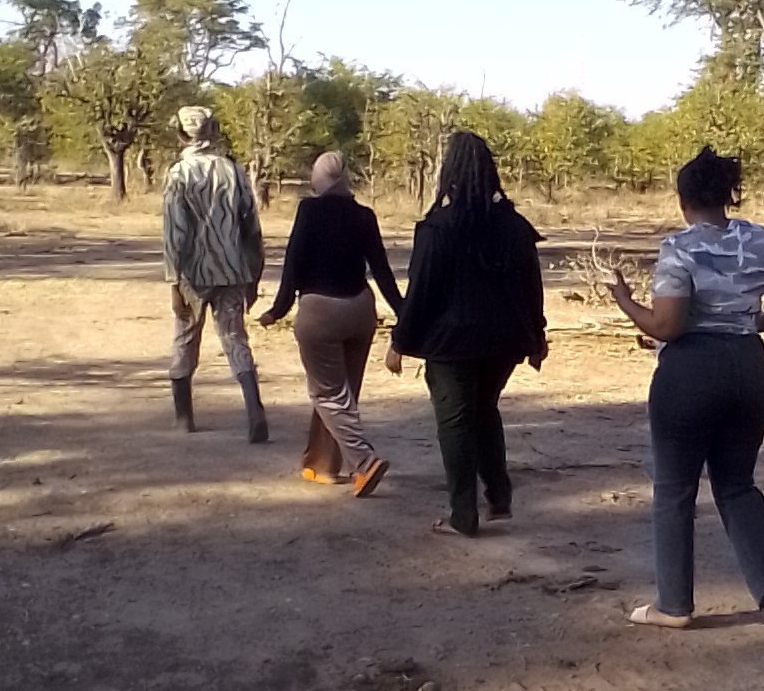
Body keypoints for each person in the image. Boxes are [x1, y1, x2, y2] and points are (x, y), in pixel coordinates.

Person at [609, 145, 764, 633]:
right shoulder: (761, 240)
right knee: (737, 483)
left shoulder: (679, 248)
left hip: (690, 371)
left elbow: (668, 326)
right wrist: (746, 324)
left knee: (674, 488)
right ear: (728, 195)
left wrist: (626, 303)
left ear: (683, 200)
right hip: (748, 367)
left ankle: (674, 604)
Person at [385, 131, 548, 536]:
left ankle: (463, 515)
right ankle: (498, 496)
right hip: (504, 341)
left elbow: (422, 291)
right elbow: (532, 286)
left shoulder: (438, 228)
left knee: (455, 422)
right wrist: (536, 336)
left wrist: (399, 341)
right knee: (484, 410)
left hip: (452, 344)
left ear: (449, 172)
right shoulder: (514, 227)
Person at [258, 152, 403, 497]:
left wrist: (278, 310)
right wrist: (404, 310)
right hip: (360, 311)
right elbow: (381, 270)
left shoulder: (309, 210)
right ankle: (321, 465)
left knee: (328, 394)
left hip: (321, 313)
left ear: (320, 176)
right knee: (343, 393)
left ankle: (364, 462)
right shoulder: (364, 215)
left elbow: (293, 262)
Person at [162, 104, 268, 442]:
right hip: (233, 271)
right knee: (235, 338)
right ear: (213, 131)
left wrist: (174, 281)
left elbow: (175, 233)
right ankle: (254, 410)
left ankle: (184, 418)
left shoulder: (179, 174)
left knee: (185, 337)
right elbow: (252, 227)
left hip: (192, 275)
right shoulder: (234, 171)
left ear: (182, 134)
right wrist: (254, 274)